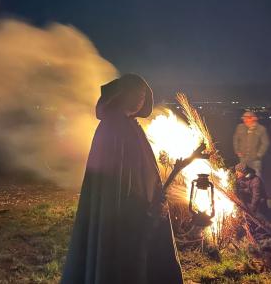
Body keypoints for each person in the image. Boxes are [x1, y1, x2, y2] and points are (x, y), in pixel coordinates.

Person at [61, 74, 184, 284]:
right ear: (122, 95)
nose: (141, 99)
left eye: (144, 95)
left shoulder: (130, 126)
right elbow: (113, 180)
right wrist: (130, 209)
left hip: (139, 208)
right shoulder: (113, 128)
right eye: (136, 94)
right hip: (124, 212)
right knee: (125, 262)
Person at [233, 111, 270, 177]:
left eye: (247, 118)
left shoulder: (261, 129)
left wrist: (259, 154)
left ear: (254, 118)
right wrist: (237, 150)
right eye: (244, 118)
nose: (245, 120)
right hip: (243, 159)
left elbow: (265, 143)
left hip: (255, 160)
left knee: (256, 176)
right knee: (243, 176)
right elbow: (235, 139)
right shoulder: (240, 127)